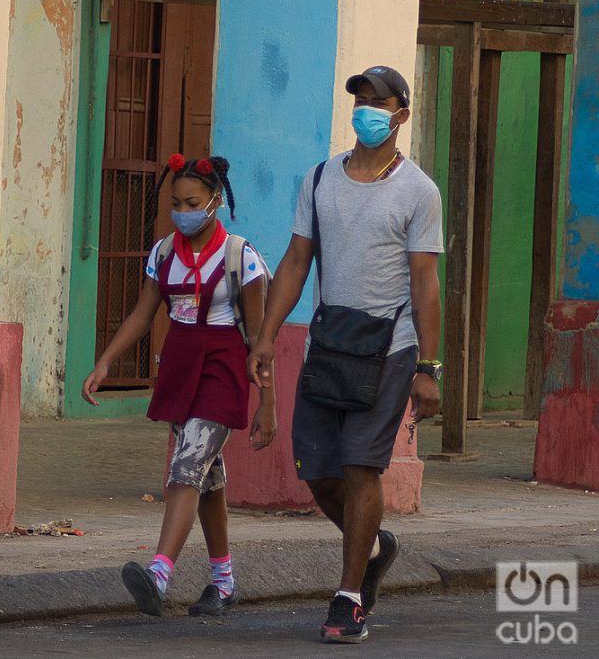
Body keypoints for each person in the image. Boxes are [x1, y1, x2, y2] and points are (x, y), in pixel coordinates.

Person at [250, 66, 444, 644]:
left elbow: (425, 283)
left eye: (378, 102)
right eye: (360, 100)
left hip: (389, 349)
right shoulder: (319, 179)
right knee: (315, 469)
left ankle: (349, 595)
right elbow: (295, 261)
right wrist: (265, 335)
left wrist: (428, 369)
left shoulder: (419, 191)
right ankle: (375, 545)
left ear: (401, 116)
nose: (366, 110)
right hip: (328, 345)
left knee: (362, 467)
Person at [81, 153, 277, 617]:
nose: (183, 211)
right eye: (176, 202)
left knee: (186, 467)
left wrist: (268, 404)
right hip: (180, 366)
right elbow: (142, 313)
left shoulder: (241, 258)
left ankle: (159, 574)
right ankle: (224, 582)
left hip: (224, 368)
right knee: (209, 480)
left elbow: (260, 338)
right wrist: (106, 361)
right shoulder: (163, 252)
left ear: (215, 202)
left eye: (192, 202)